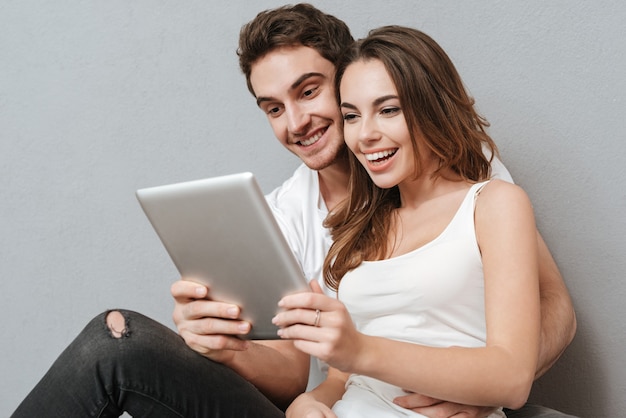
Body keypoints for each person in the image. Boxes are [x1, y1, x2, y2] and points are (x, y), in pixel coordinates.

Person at [11, 4, 576, 418]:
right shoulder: (303, 218)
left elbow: (546, 315)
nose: (296, 122)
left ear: (348, 74)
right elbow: (296, 371)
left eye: (309, 92)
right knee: (115, 341)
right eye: (273, 107)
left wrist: (478, 390)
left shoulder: (477, 182)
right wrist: (229, 347)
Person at [271, 24, 543, 417]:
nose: (365, 135)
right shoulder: (359, 227)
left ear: (431, 106)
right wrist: (308, 402)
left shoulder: (494, 204)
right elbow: (340, 379)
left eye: (388, 110)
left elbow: (512, 378)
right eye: (351, 116)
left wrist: (360, 350)